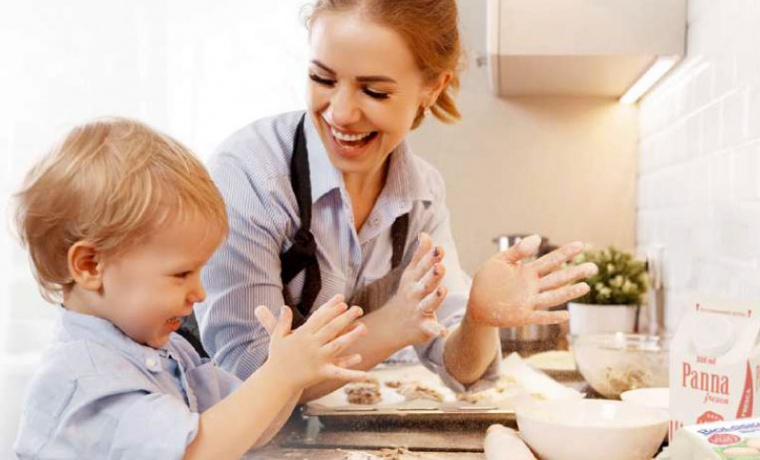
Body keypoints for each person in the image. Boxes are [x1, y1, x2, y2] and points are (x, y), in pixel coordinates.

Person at [197, 0, 598, 402]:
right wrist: (392, 325)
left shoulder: (421, 196)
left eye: (374, 91)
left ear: (432, 88)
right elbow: (246, 375)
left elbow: (460, 369)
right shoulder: (250, 175)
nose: (341, 112)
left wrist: (478, 319)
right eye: (322, 79)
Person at [12, 118, 367, 460]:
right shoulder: (85, 381)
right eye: (181, 274)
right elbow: (197, 451)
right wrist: (280, 376)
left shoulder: (171, 351)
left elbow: (247, 430)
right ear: (90, 266)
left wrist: (289, 376)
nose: (199, 293)